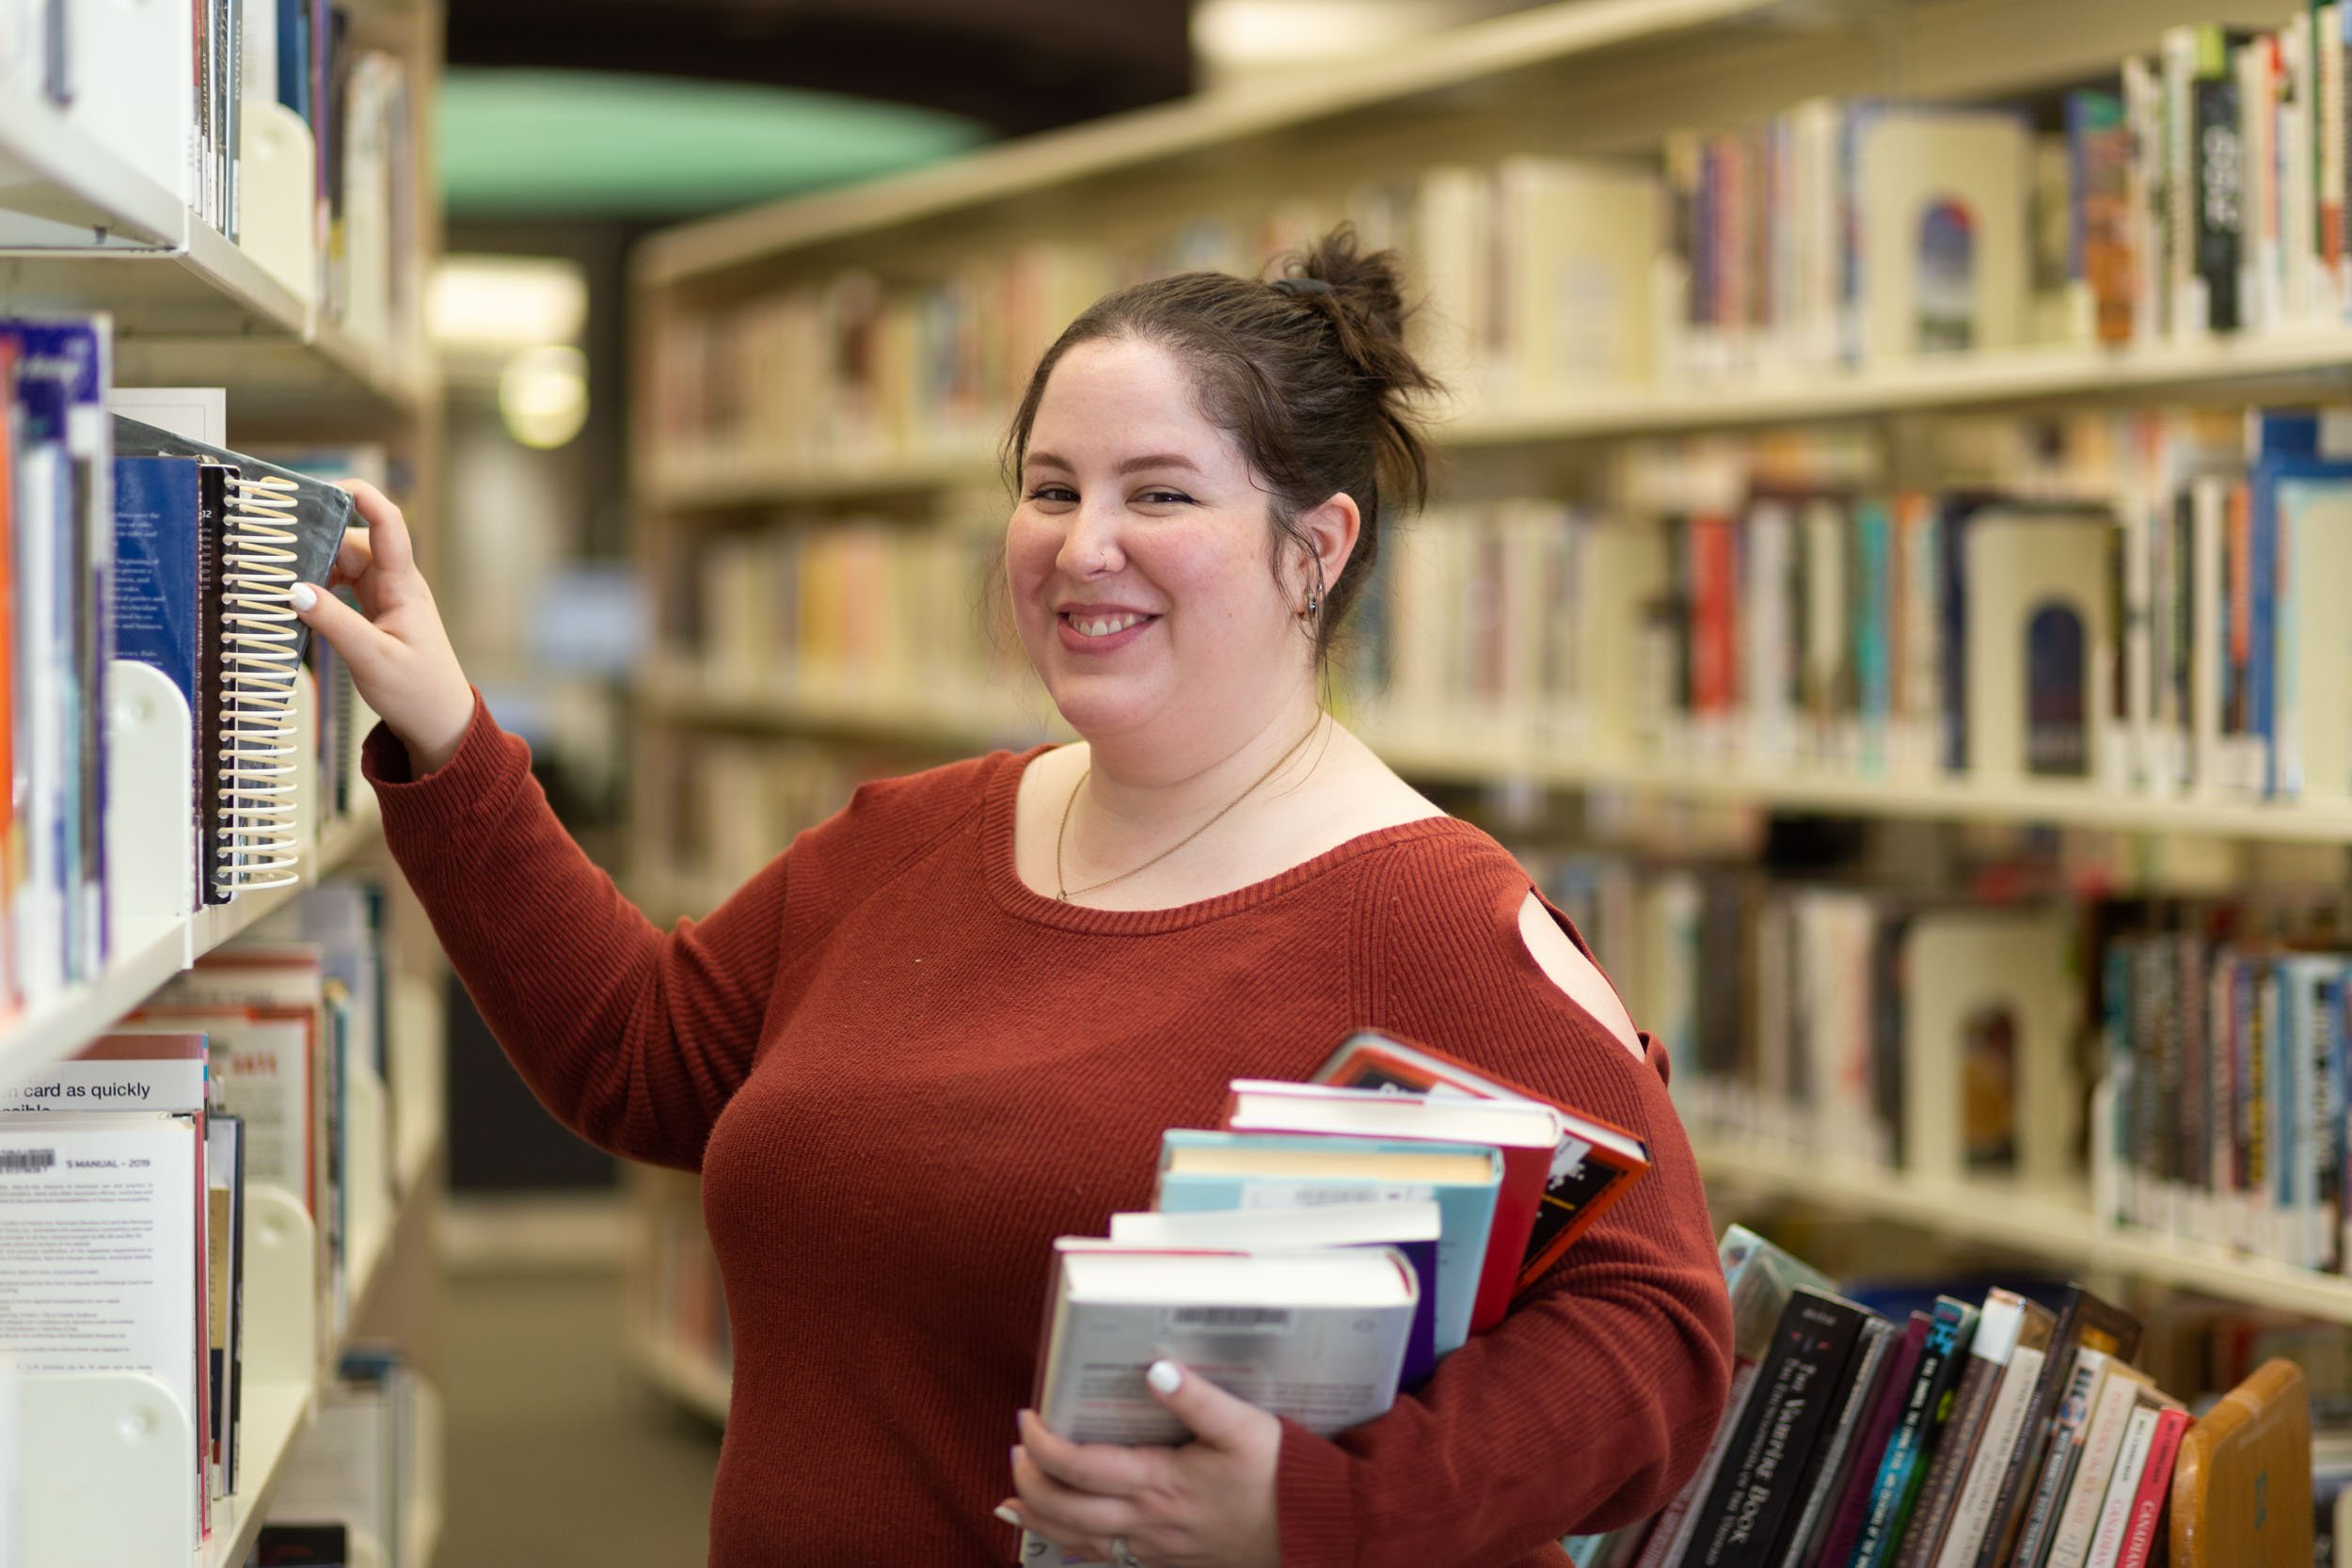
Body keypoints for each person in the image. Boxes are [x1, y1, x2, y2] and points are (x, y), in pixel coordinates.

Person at [294, 228, 1733, 1568]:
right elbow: (640, 1057)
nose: (1081, 543)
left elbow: (1654, 1334)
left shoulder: (1432, 916)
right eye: (1051, 488)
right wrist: (446, 734)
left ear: (1318, 547)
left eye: (1159, 493)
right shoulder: (908, 840)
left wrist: (1315, 1508)